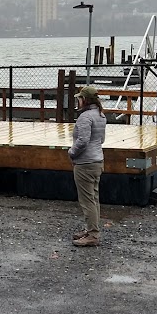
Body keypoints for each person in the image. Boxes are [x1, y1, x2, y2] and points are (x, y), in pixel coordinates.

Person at [69, 85, 106, 247]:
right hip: (98, 160)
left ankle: (93, 235)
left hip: (85, 163)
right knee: (94, 198)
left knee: (86, 200)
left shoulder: (85, 117)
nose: (78, 101)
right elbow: (101, 140)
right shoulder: (100, 115)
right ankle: (92, 229)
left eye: (79, 98)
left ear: (84, 100)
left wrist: (72, 152)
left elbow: (83, 141)